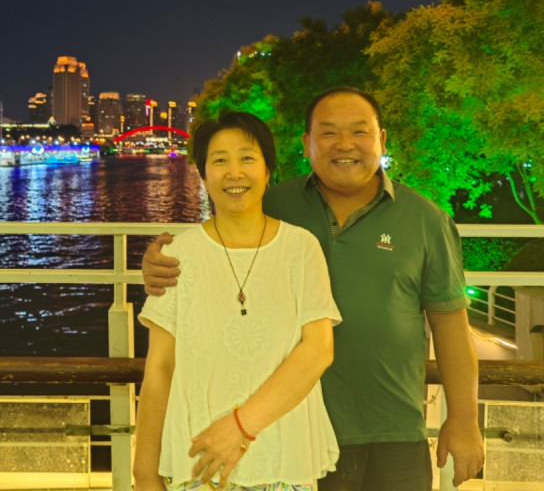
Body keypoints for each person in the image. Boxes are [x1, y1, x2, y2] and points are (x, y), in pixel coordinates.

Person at [143, 88, 485, 491]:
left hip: (393, 425)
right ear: (306, 143)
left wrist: (464, 420)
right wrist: (158, 263)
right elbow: (220, 239)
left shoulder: (426, 219)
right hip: (295, 429)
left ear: (381, 139)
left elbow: (450, 325)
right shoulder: (275, 203)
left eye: (359, 131)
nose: (344, 144)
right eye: (328, 133)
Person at [133, 111, 342, 491]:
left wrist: (239, 427)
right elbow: (160, 368)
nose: (234, 172)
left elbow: (318, 350)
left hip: (283, 460)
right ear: (203, 174)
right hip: (198, 464)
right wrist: (144, 473)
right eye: (219, 160)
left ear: (267, 170)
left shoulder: (300, 248)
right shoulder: (178, 256)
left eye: (247, 158)